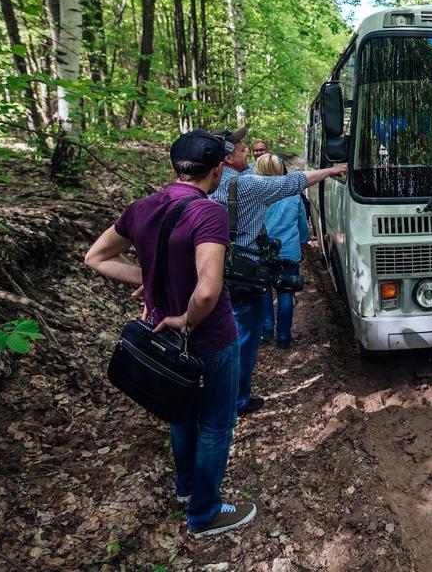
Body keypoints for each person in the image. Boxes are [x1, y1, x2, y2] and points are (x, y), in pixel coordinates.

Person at [84, 129, 256, 538]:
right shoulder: (209, 212)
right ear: (217, 169)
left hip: (160, 338)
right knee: (215, 424)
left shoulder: (141, 208)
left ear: (174, 166)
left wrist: (153, 281)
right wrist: (188, 319)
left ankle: (185, 490)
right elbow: (209, 288)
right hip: (208, 337)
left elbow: (96, 257)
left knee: (180, 417)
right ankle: (205, 514)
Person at [209, 128, 346, 416]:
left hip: (214, 271)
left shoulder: (208, 187)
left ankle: (218, 393)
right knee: (243, 337)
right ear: (228, 158)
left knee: (225, 331)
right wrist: (332, 170)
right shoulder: (246, 186)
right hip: (244, 272)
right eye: (243, 150)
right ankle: (237, 400)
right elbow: (294, 181)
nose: (248, 153)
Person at [255, 154, 309, 349]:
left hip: (261, 251)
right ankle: (284, 339)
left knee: (264, 291)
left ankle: (267, 330)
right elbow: (302, 224)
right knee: (286, 293)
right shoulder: (293, 194)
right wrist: (303, 242)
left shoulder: (255, 193)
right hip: (288, 252)